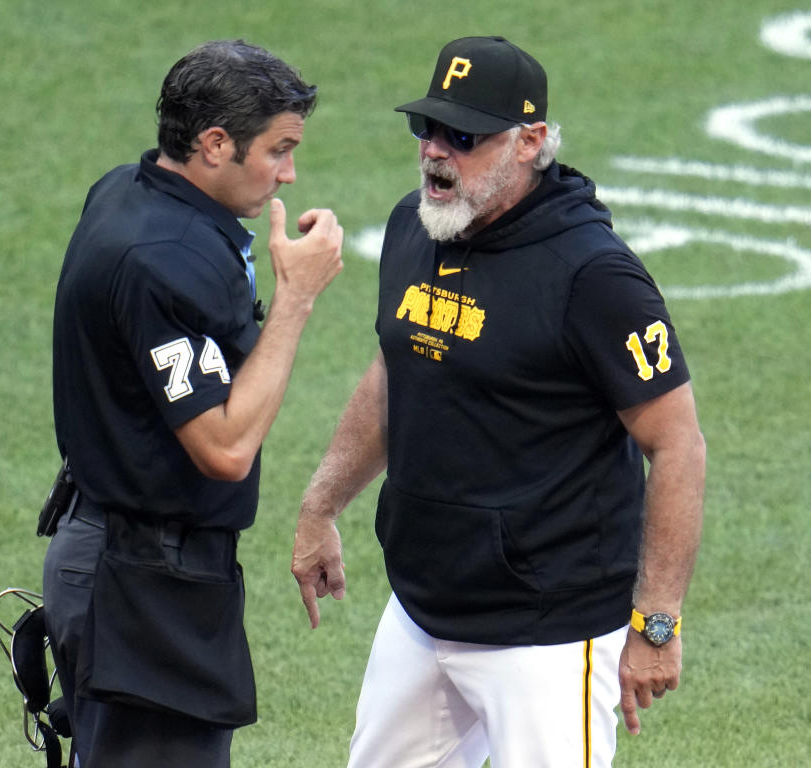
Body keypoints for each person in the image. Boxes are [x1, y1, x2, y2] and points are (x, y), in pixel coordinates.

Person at [291, 35, 705, 767]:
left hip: (549, 632)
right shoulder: (415, 229)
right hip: (424, 612)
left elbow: (677, 444)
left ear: (529, 142)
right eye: (428, 129)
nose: (436, 152)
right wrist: (322, 504)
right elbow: (397, 368)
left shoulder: (594, 277)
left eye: (465, 137)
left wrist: (657, 622)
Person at [42, 40, 343, 768]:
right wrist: (296, 299)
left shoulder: (125, 189)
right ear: (215, 144)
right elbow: (225, 448)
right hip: (140, 582)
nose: (289, 173)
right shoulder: (163, 257)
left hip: (124, 552)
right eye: (278, 149)